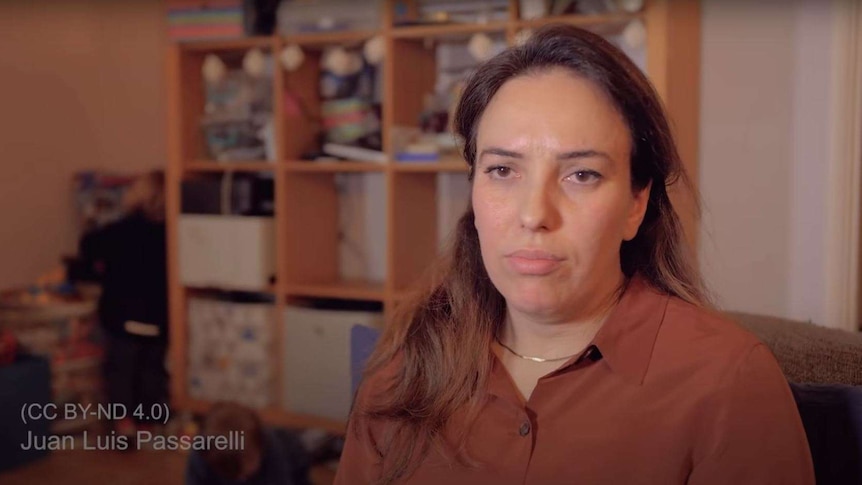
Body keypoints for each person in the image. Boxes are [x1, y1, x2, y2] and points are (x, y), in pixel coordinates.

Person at [335, 24, 814, 484]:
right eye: (502, 169)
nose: (534, 214)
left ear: (636, 204)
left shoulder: (727, 381)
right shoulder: (406, 363)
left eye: (581, 175)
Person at [78, 170, 169, 437]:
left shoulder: (121, 230)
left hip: (121, 317)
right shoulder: (173, 235)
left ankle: (123, 422)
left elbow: (88, 246)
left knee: (120, 369)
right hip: (159, 318)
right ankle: (148, 421)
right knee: (152, 368)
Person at [185, 401, 312, 485]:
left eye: (249, 462)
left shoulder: (274, 450)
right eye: (232, 472)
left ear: (260, 446)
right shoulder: (201, 454)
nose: (242, 477)